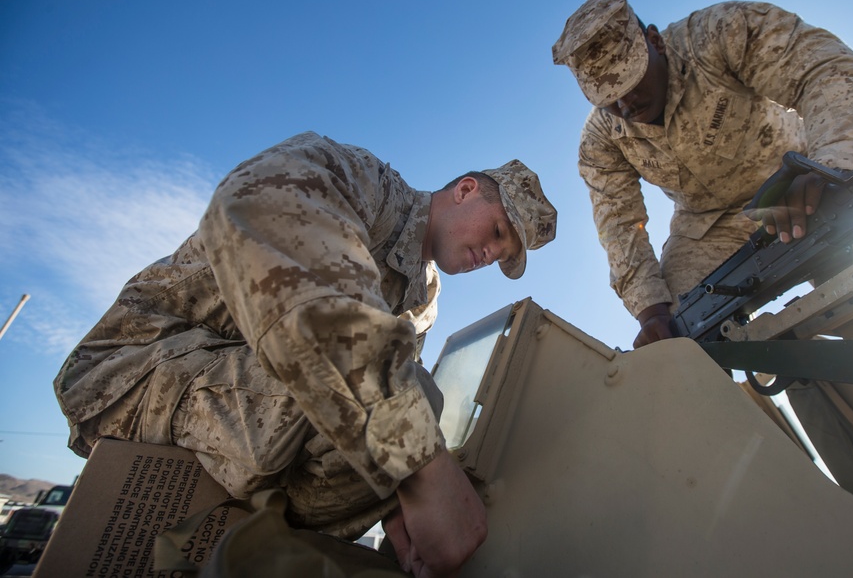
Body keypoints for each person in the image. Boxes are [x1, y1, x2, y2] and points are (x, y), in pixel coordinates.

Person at [54, 132, 557, 577]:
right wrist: (424, 469)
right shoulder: (363, 182)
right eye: (496, 231)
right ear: (466, 190)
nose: (491, 254)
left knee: (410, 413)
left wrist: (395, 504)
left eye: (503, 255)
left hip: (241, 406)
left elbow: (370, 413)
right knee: (414, 408)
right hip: (133, 369)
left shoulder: (421, 301)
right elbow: (260, 208)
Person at [552, 0, 853, 349]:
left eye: (632, 79)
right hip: (710, 224)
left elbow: (825, 71)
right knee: (676, 335)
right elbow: (619, 225)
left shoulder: (716, 33)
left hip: (797, 174)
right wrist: (650, 309)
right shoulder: (600, 139)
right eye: (608, 99)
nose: (626, 103)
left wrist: (832, 166)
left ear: (655, 42)